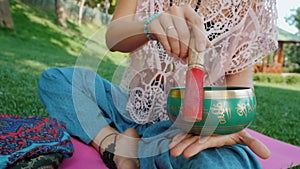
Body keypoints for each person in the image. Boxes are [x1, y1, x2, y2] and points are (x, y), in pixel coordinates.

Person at [38, 0, 278, 168]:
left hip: (184, 131)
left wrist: (224, 128)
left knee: (222, 163)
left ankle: (141, 151)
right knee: (57, 80)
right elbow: (114, 37)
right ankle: (115, 146)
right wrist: (149, 26)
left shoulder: (250, 3)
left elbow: (239, 89)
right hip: (129, 107)